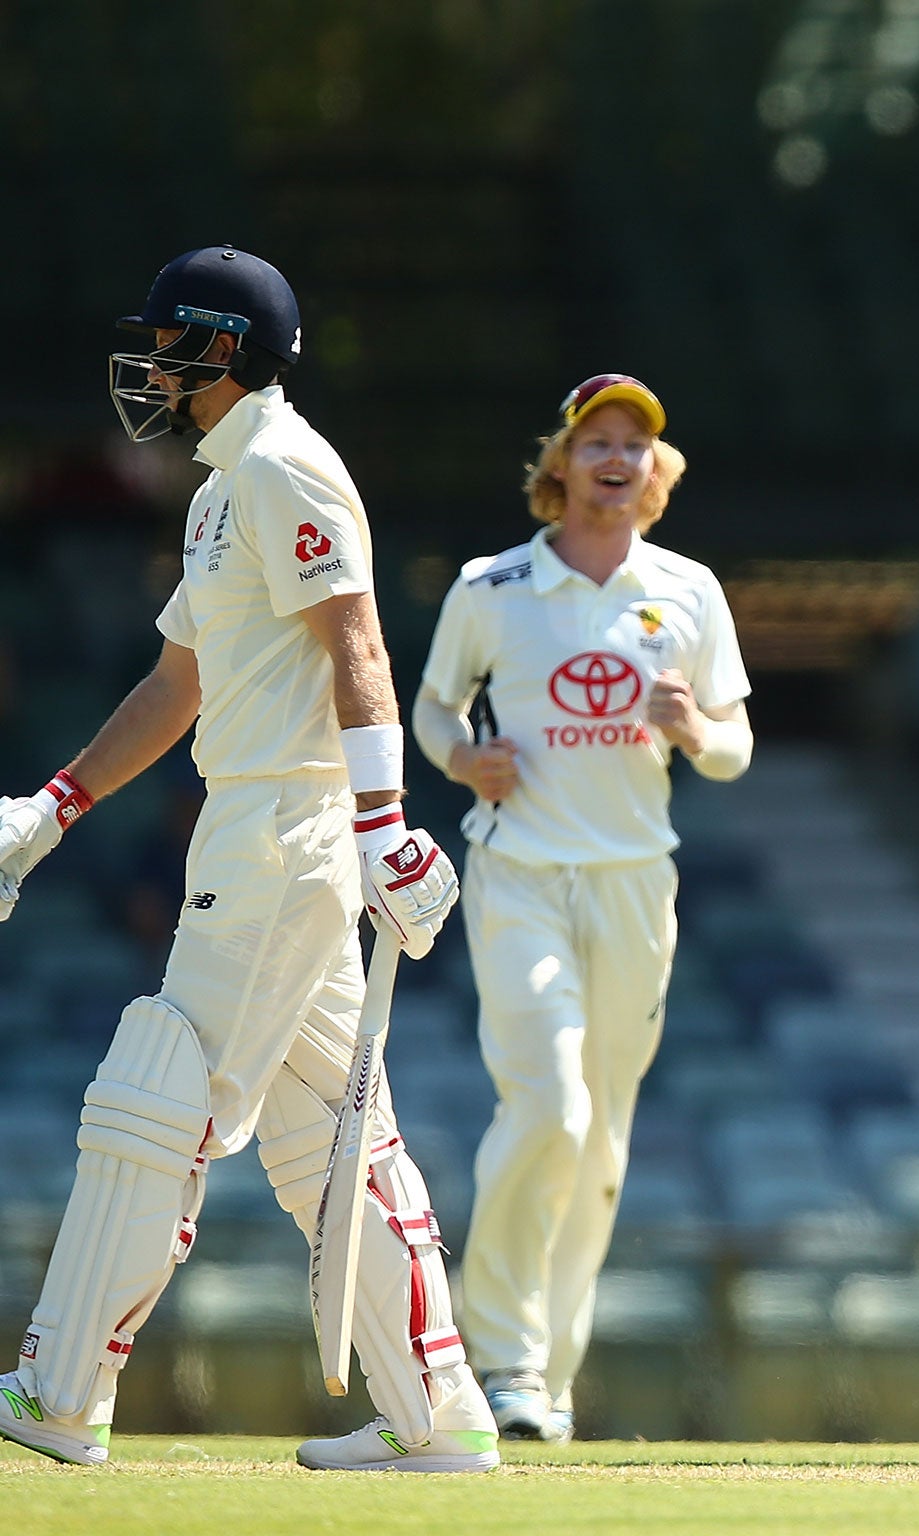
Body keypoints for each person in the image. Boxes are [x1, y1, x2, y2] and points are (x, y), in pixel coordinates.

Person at [0, 245, 495, 1471]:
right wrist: (51, 811)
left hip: (285, 834)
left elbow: (359, 645)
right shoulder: (221, 490)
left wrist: (382, 827)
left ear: (219, 350)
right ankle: (438, 1418)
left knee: (154, 1093)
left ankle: (59, 1396)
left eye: (168, 342)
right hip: (260, 829)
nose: (151, 366)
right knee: (333, 1139)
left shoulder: (285, 465)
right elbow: (179, 684)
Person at [413, 374, 752, 1441]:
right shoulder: (491, 586)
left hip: (634, 884)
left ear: (656, 472)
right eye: (594, 440)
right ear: (556, 466)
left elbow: (735, 750)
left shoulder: (687, 589)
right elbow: (430, 703)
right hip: (520, 874)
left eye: (635, 445)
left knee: (599, 1139)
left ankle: (543, 1380)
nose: (616, 458)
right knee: (549, 1105)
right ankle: (501, 1357)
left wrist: (693, 725)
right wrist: (464, 757)